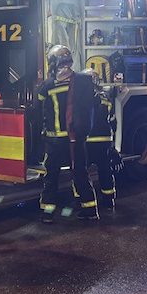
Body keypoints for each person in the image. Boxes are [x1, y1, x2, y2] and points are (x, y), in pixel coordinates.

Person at [37, 45, 99, 223]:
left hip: (55, 139)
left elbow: (37, 107)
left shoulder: (48, 85)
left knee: (51, 176)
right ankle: (90, 209)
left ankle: (48, 213)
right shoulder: (82, 81)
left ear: (54, 63)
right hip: (75, 138)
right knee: (80, 172)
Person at [82, 69, 122, 210]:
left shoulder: (80, 100)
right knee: (105, 171)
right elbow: (113, 122)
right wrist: (113, 145)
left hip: (86, 142)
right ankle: (109, 201)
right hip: (104, 142)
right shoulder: (105, 99)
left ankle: (83, 202)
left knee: (82, 173)